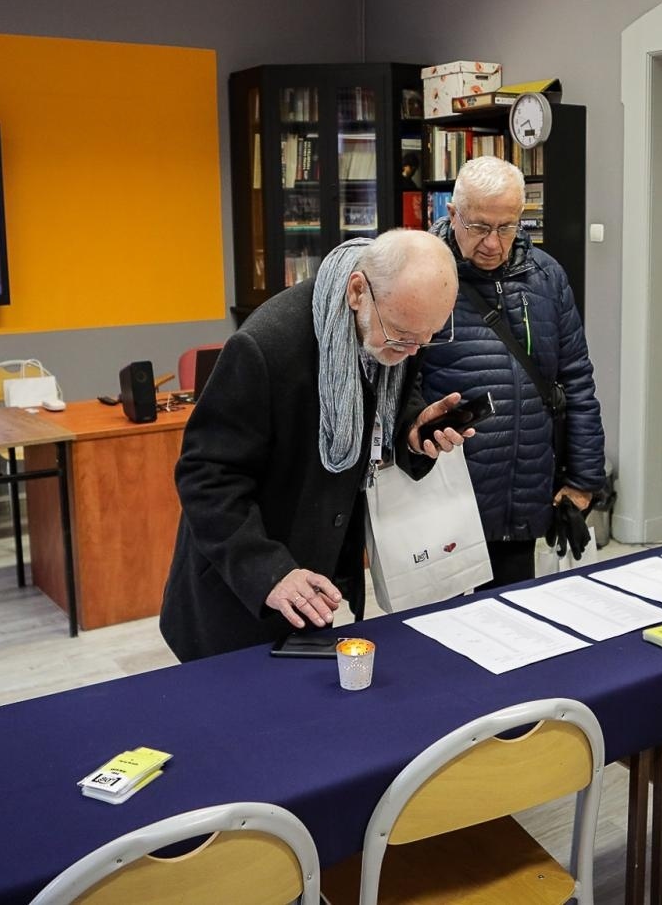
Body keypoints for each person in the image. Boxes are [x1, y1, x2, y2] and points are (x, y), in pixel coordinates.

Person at [159, 229, 471, 662]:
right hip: (243, 589)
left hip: (317, 573)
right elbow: (206, 477)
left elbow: (389, 396)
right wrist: (269, 571)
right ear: (357, 291)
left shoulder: (398, 320)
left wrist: (412, 431)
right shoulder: (264, 346)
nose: (412, 351)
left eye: (427, 337)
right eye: (402, 336)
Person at [410, 156, 605, 588]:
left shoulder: (546, 277)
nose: (492, 243)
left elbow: (576, 380)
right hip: (445, 495)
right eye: (479, 227)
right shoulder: (420, 276)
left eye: (506, 227)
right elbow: (400, 386)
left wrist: (584, 478)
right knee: (443, 618)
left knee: (513, 613)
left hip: (524, 490)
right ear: (452, 214)